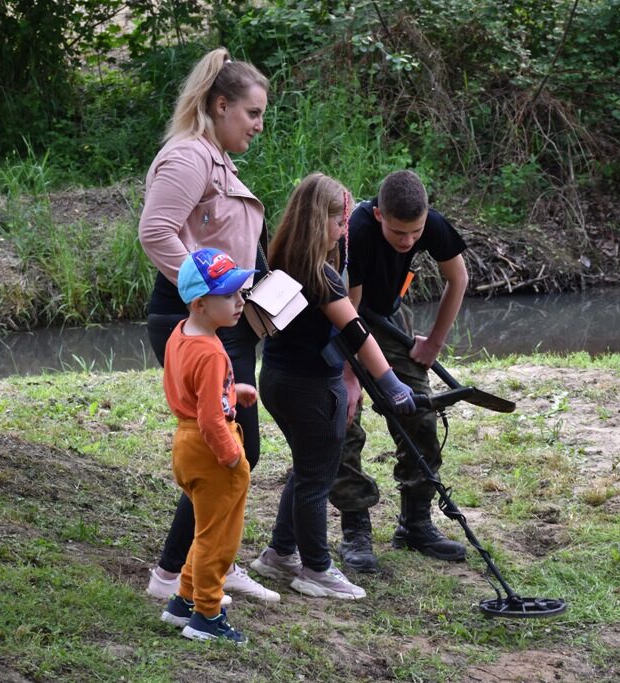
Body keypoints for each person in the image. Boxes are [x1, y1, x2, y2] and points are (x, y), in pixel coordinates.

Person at [138, 47, 277, 603]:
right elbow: (155, 232)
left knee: (234, 445)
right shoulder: (188, 157)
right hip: (195, 322)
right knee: (225, 448)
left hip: (220, 321)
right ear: (221, 106)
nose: (259, 125)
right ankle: (176, 573)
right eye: (252, 113)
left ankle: (212, 559)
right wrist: (206, 295)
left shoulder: (215, 157)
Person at [248, 173, 415, 599]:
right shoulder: (320, 275)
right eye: (340, 223)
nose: (344, 231)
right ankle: (316, 569)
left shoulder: (280, 261)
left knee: (307, 468)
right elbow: (356, 332)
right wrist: (392, 383)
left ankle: (280, 552)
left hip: (277, 380)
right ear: (319, 220)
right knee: (316, 479)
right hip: (311, 389)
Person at [330, 170, 470, 573]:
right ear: (379, 215)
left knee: (420, 411)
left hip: (386, 320)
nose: (408, 241)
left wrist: (434, 343)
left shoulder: (430, 224)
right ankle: (355, 527)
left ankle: (415, 523)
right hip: (343, 320)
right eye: (398, 233)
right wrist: (351, 376)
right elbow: (350, 313)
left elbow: (458, 277)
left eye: (415, 233)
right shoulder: (356, 232)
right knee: (345, 418)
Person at [157, 248, 255, 643]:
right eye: (229, 296)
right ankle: (208, 616)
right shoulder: (212, 352)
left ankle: (183, 601)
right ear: (200, 304)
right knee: (220, 538)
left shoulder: (181, 334)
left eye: (240, 292)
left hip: (185, 445)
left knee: (205, 529)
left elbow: (192, 391)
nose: (240, 301)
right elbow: (212, 419)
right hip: (211, 449)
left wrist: (232, 391)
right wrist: (232, 458)